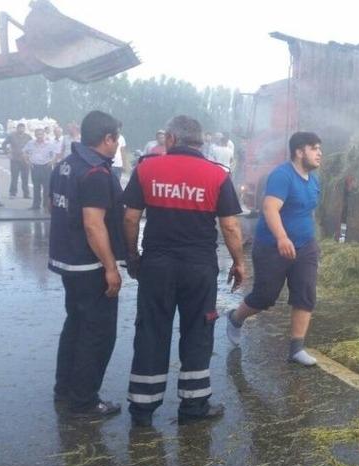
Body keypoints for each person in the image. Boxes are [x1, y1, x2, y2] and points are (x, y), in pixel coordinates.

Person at [122, 115, 246, 427]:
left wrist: (132, 256)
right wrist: (239, 263)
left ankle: (142, 409)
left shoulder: (147, 168)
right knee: (197, 332)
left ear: (171, 139)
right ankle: (194, 406)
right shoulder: (217, 175)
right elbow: (230, 227)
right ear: (200, 143)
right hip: (199, 268)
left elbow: (130, 218)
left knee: (151, 331)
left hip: (156, 266)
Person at [48, 110, 126, 418]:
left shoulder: (65, 165)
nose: (117, 145)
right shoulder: (95, 173)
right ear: (107, 139)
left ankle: (65, 389)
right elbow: (94, 225)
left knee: (76, 324)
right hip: (89, 266)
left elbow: (52, 206)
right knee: (97, 333)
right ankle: (84, 401)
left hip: (68, 261)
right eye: (116, 139)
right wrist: (111, 267)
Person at [225, 132, 322, 366]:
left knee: (305, 293)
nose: (319, 153)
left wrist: (311, 240)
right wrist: (282, 238)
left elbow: (307, 211)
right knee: (265, 297)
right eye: (314, 148)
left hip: (305, 246)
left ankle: (296, 349)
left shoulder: (313, 180)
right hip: (272, 246)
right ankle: (236, 318)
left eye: (320, 149)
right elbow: (270, 208)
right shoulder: (282, 176)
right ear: (299, 151)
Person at [22, 128, 59, 210]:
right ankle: (36, 205)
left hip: (46, 167)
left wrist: (52, 161)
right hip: (35, 167)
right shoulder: (30, 143)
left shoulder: (49, 144)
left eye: (41, 134)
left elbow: (56, 154)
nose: (39, 136)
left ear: (44, 135)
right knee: (36, 187)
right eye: (38, 134)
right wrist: (27, 161)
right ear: (35, 135)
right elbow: (24, 151)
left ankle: (46, 205)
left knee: (47, 187)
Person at [2, 122, 32, 199]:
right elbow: (4, 144)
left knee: (25, 178)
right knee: (14, 177)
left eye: (23, 128)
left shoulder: (28, 137)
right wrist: (7, 153)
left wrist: (30, 155)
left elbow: (33, 146)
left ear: (24, 129)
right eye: (20, 128)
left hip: (25, 160)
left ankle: (26, 194)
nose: (21, 129)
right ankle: (12, 193)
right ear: (17, 128)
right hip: (15, 159)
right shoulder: (12, 136)